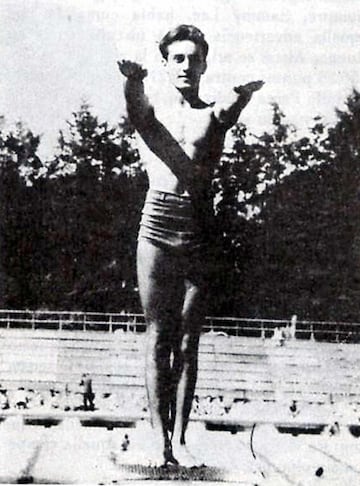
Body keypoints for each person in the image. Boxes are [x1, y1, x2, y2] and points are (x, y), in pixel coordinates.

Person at [118, 24, 263, 467]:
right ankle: (158, 440)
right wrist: (133, 79)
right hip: (157, 224)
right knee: (158, 336)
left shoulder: (212, 113)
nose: (185, 65)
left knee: (188, 341)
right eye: (177, 58)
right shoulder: (151, 112)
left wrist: (245, 93)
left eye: (193, 58)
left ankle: (180, 440)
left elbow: (230, 110)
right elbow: (136, 108)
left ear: (204, 63)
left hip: (200, 228)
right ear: (166, 64)